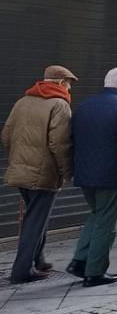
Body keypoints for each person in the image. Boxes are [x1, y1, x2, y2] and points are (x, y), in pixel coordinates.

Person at [68, 67, 117, 288]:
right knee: (107, 223)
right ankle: (94, 272)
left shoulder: (85, 106)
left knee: (97, 214)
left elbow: (72, 139)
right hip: (111, 176)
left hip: (85, 173)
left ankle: (79, 261)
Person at [2, 65, 76, 284]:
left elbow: (6, 135)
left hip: (20, 170)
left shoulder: (22, 102)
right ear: (61, 82)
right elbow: (60, 144)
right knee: (35, 221)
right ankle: (21, 271)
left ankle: (39, 260)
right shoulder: (60, 104)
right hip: (44, 173)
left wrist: (19, 158)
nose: (69, 88)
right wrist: (67, 171)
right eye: (69, 83)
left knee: (35, 216)